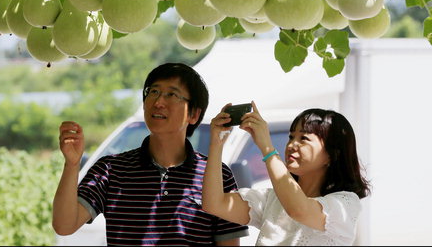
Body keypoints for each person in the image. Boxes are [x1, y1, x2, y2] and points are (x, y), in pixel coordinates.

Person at [52, 62, 249, 246]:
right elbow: (64, 225)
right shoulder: (110, 170)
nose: (158, 102)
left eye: (172, 95)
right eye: (153, 91)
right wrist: (72, 164)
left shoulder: (218, 176)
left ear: (194, 115)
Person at [202, 102, 371, 246]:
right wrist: (216, 143)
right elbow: (214, 204)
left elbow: (299, 210)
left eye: (303, 138)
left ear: (332, 153)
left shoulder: (345, 204)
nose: (291, 144)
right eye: (291, 137)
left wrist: (267, 148)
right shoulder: (273, 198)